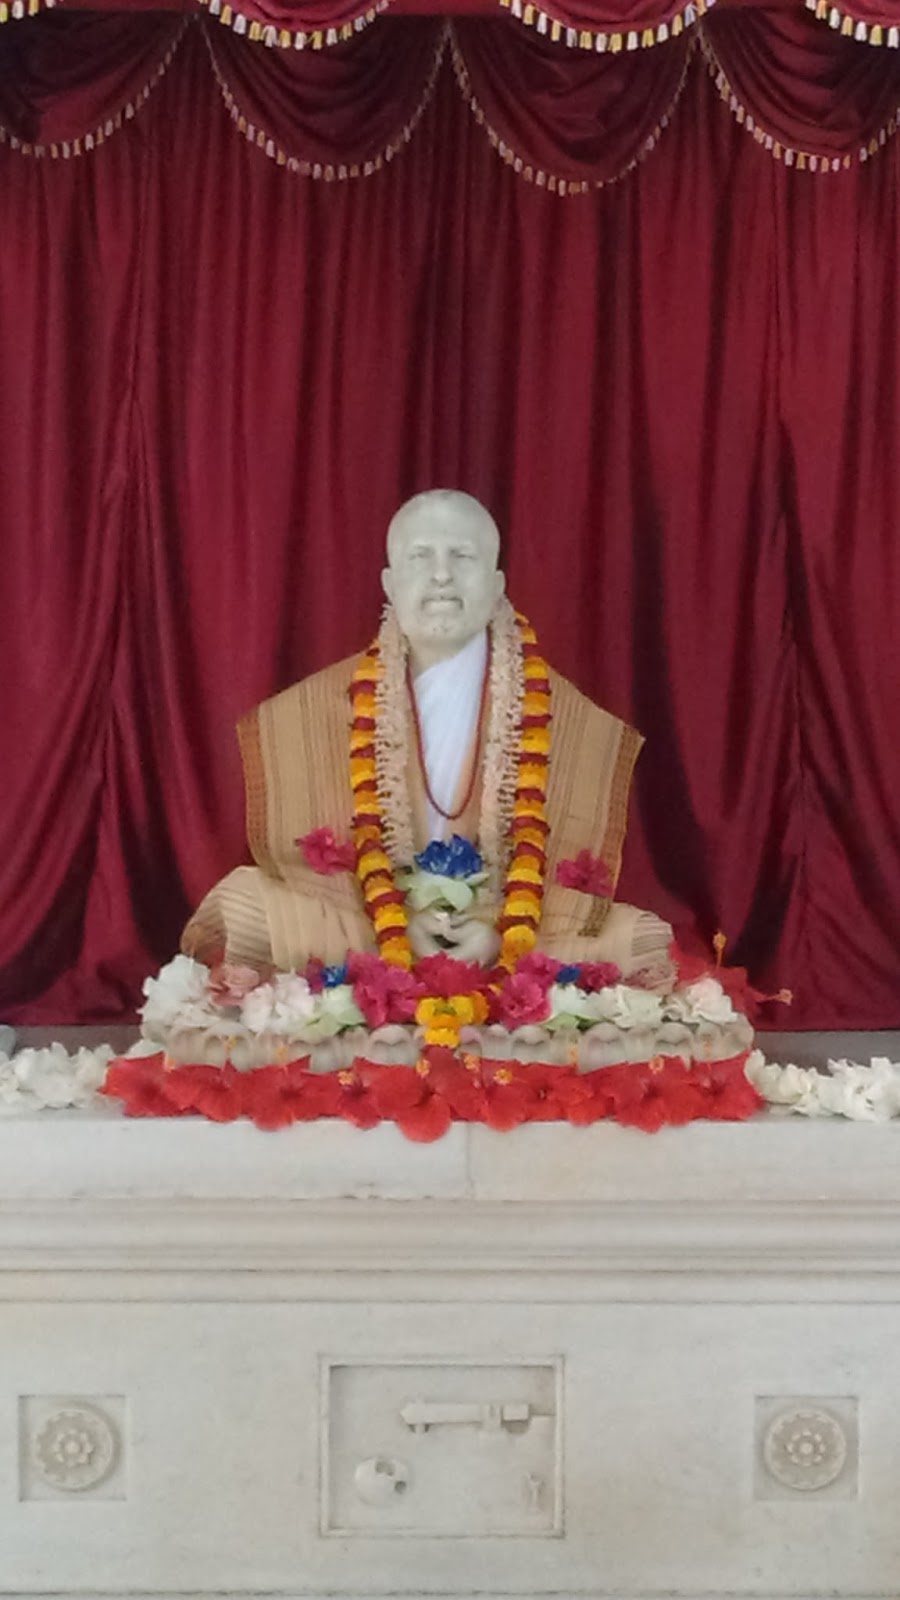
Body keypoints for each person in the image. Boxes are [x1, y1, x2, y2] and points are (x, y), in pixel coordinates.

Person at [181, 491, 671, 977]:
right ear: (390, 584)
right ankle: (412, 960)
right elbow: (304, 871)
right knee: (245, 902)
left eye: (462, 556)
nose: (441, 575)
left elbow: (569, 881)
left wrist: (496, 931)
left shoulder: (567, 715)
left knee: (642, 939)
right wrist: (394, 924)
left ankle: (483, 960)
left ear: (496, 583)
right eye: (421, 556)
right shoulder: (308, 710)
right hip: (364, 921)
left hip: (510, 925)